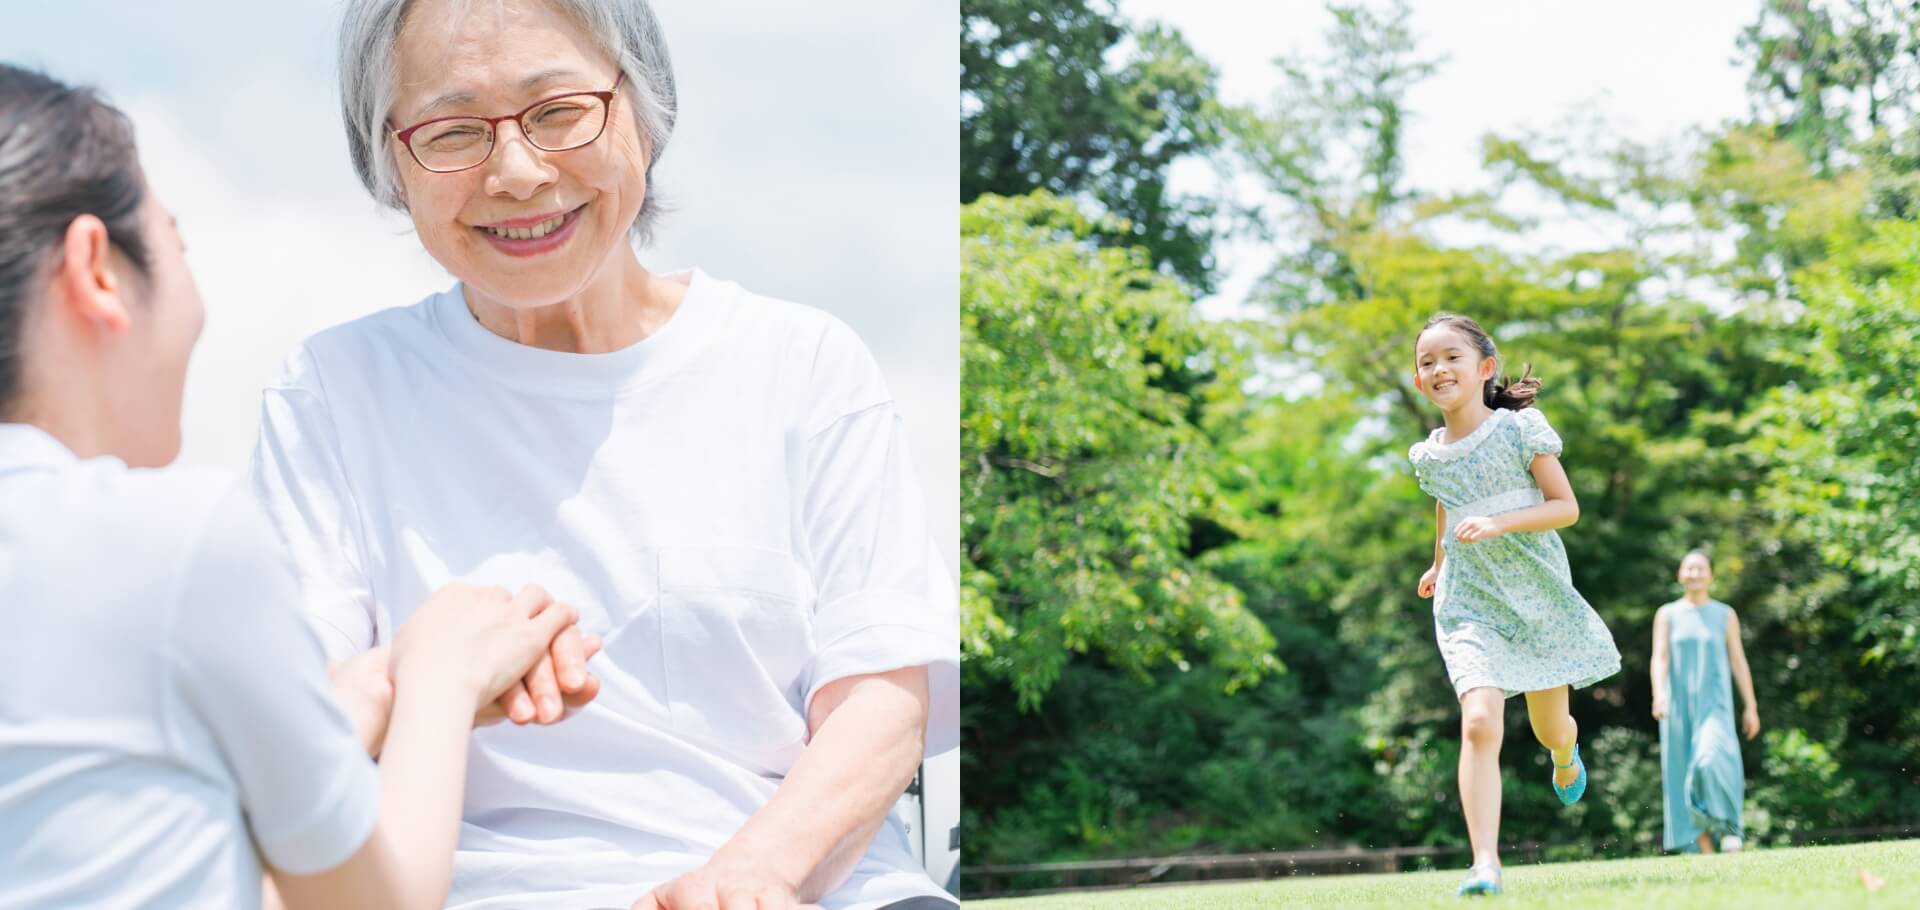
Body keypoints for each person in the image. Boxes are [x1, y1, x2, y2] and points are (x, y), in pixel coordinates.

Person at [246, 1, 961, 908]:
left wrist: (747, 881)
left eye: (559, 111)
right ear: (389, 160)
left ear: (645, 110)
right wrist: (436, 669)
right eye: (453, 131)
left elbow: (884, 698)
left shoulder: (803, 364)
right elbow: (293, 729)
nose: (517, 173)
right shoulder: (333, 391)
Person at [0, 62, 588, 909]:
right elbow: (372, 903)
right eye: (177, 243)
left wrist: (357, 696)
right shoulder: (173, 539)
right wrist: (442, 674)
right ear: (97, 269)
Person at [1408, 313, 1623, 897]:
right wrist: (1439, 563)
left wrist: (1499, 522)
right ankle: (1485, 864)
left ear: (1485, 368)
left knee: (1550, 728)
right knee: (1479, 722)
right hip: (1469, 601)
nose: (1438, 368)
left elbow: (1565, 507)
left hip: (1536, 596)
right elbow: (1448, 504)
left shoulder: (1518, 430)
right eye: (1427, 362)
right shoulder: (1428, 455)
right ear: (1420, 380)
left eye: (1451, 356)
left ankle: (1565, 752)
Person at [1651, 549, 1759, 854]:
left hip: (1715, 703)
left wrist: (1750, 706)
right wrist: (1659, 694)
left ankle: (1728, 828)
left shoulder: (1725, 614)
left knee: (1711, 759)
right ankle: (1702, 847)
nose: (1694, 573)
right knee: (1681, 770)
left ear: (1710, 575)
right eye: (1689, 568)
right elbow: (1659, 658)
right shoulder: (1667, 614)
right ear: (1680, 574)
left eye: (1700, 568)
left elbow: (1738, 661)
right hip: (1677, 705)